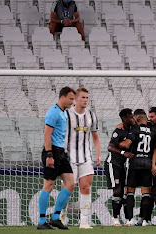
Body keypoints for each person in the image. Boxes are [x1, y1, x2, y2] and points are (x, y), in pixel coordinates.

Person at [37, 87, 76, 230]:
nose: (73, 102)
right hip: (52, 151)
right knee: (48, 185)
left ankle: (55, 218)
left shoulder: (63, 112)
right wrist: (49, 154)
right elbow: (47, 134)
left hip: (61, 152)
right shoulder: (53, 112)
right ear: (63, 97)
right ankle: (41, 221)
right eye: (71, 99)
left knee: (70, 183)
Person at [118, 109, 156, 227]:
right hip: (147, 164)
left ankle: (130, 219)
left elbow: (126, 144)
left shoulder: (135, 130)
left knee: (130, 192)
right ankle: (145, 220)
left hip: (134, 163)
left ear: (137, 119)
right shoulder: (153, 131)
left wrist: (118, 143)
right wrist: (153, 164)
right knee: (146, 193)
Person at [63, 88, 101, 229]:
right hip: (69, 157)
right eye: (83, 97)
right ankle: (62, 213)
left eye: (87, 98)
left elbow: (95, 137)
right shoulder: (66, 114)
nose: (85, 100)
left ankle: (84, 221)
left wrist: (98, 154)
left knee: (86, 187)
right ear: (76, 99)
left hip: (86, 157)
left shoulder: (91, 115)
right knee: (69, 188)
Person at [105, 108, 135, 226]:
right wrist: (123, 153)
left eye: (133, 116)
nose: (132, 119)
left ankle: (128, 219)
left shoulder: (132, 129)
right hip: (113, 163)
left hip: (124, 165)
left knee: (124, 191)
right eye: (130, 117)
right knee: (117, 190)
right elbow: (110, 147)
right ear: (124, 119)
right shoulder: (118, 131)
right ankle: (115, 218)